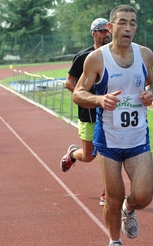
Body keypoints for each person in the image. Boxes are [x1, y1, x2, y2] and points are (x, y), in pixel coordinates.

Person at [73, 5, 153, 246]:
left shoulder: (145, 55)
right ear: (110, 28)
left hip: (137, 140)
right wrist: (99, 99)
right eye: (123, 22)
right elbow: (78, 92)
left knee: (143, 196)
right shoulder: (97, 59)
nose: (129, 28)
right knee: (113, 195)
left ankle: (129, 210)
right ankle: (115, 245)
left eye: (133, 23)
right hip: (109, 140)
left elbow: (152, 82)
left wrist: (151, 93)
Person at [60, 18, 111, 206]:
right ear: (93, 33)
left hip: (109, 113)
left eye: (108, 31)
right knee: (89, 156)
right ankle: (73, 154)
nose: (106, 34)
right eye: (102, 31)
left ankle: (108, 192)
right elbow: (69, 82)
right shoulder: (83, 57)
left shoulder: (115, 55)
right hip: (88, 113)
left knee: (109, 153)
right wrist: (88, 98)